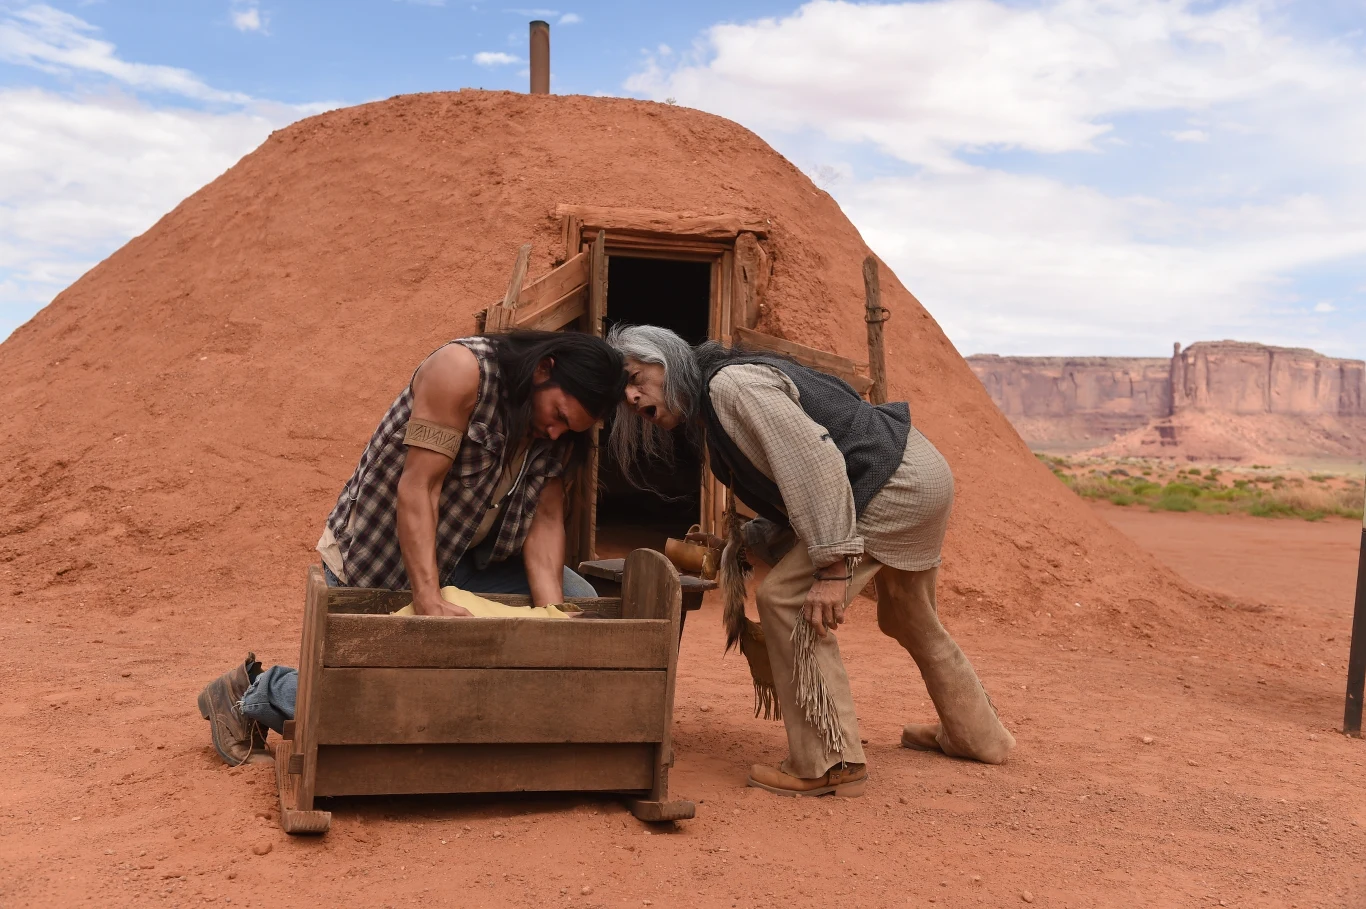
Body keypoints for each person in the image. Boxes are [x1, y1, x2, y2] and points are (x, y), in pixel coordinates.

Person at [606, 324, 1014, 798]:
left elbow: (814, 464)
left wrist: (832, 569)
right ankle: (978, 735)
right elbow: (793, 494)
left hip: (888, 485)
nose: (632, 397)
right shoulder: (718, 401)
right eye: (624, 394)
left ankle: (828, 760)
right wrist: (739, 543)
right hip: (919, 471)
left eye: (636, 379)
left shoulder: (730, 387)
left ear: (668, 362)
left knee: (785, 599)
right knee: (908, 614)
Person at [198, 330, 627, 765]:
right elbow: (419, 487)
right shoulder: (463, 372)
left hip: (468, 564)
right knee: (392, 694)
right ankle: (252, 693)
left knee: (577, 604)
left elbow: (546, 521)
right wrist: (428, 601)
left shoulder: (555, 432)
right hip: (380, 559)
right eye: (556, 414)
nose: (554, 433)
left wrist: (552, 624)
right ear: (543, 369)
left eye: (567, 428)